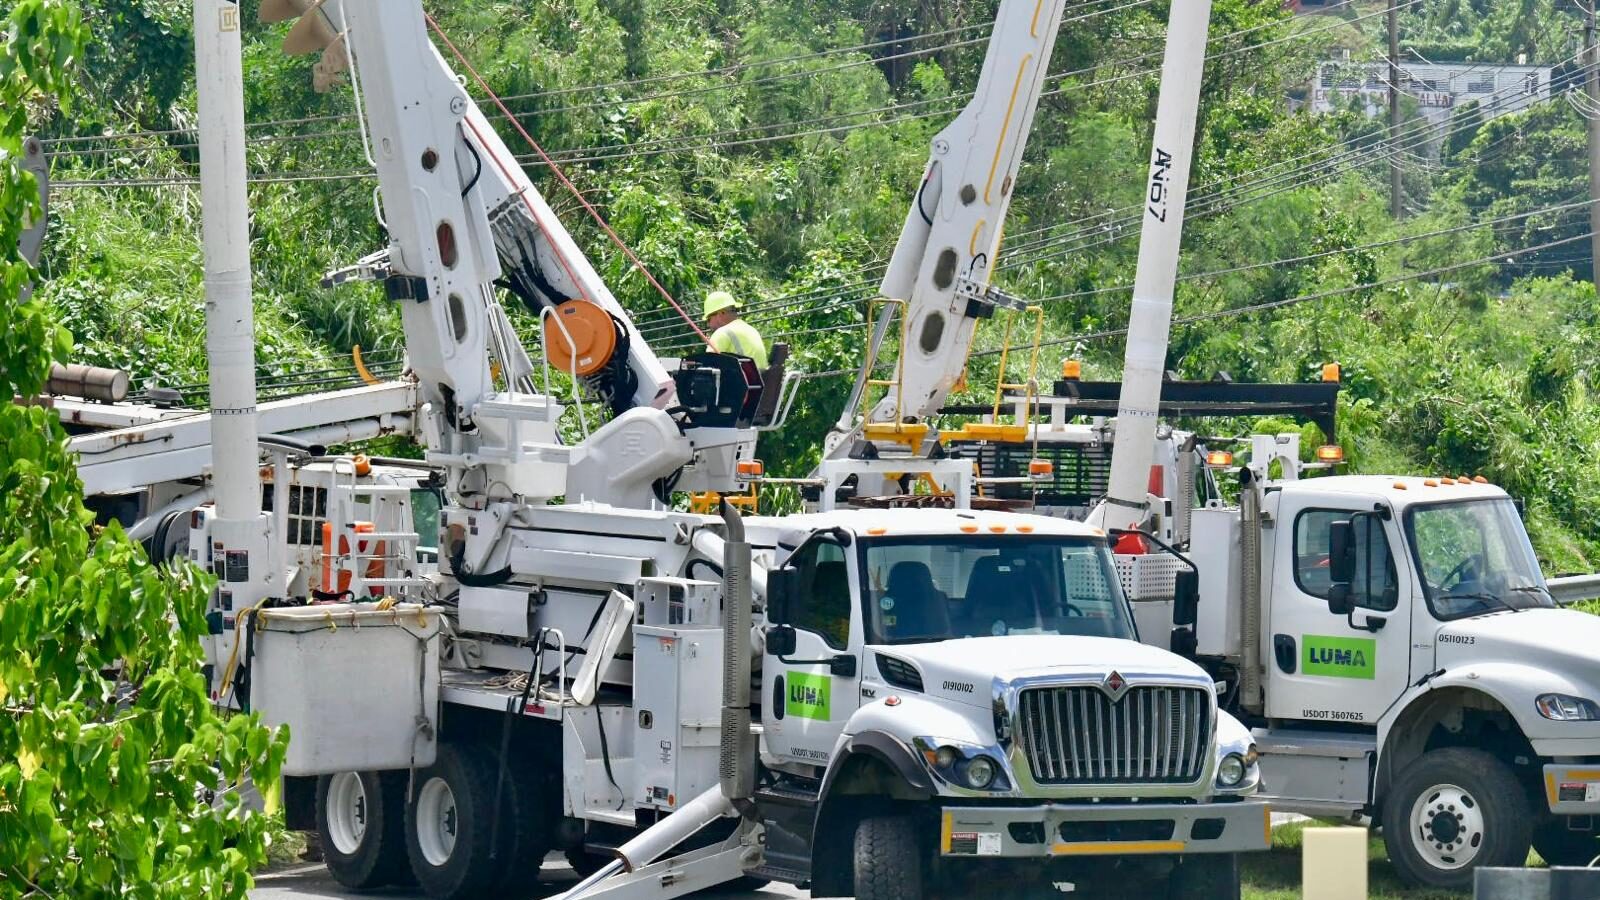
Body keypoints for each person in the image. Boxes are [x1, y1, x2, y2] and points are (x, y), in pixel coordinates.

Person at [703, 290, 768, 369]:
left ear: (721, 313)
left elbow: (707, 366)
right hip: (758, 379)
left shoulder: (722, 333)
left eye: (709, 319)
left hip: (741, 380)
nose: (708, 324)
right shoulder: (751, 329)